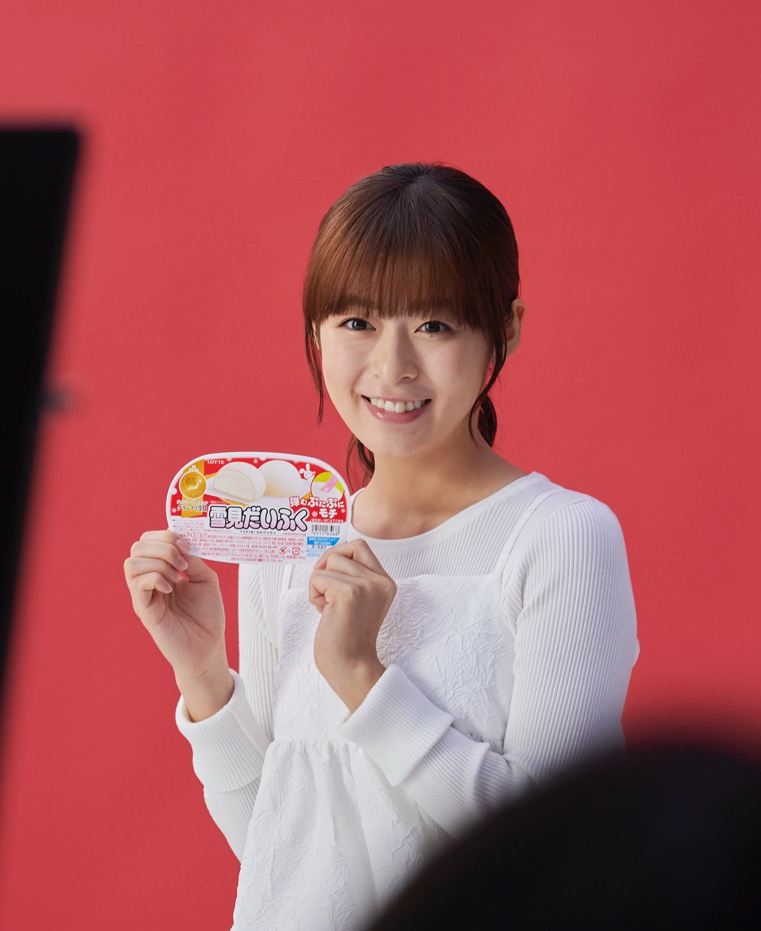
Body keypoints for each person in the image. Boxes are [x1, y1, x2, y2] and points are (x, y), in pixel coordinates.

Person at [124, 163, 639, 930]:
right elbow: (278, 849)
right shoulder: (288, 542)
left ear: (506, 328)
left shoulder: (560, 537)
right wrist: (202, 673)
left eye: (434, 325)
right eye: (358, 322)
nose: (392, 367)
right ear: (316, 332)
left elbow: (553, 850)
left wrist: (364, 678)